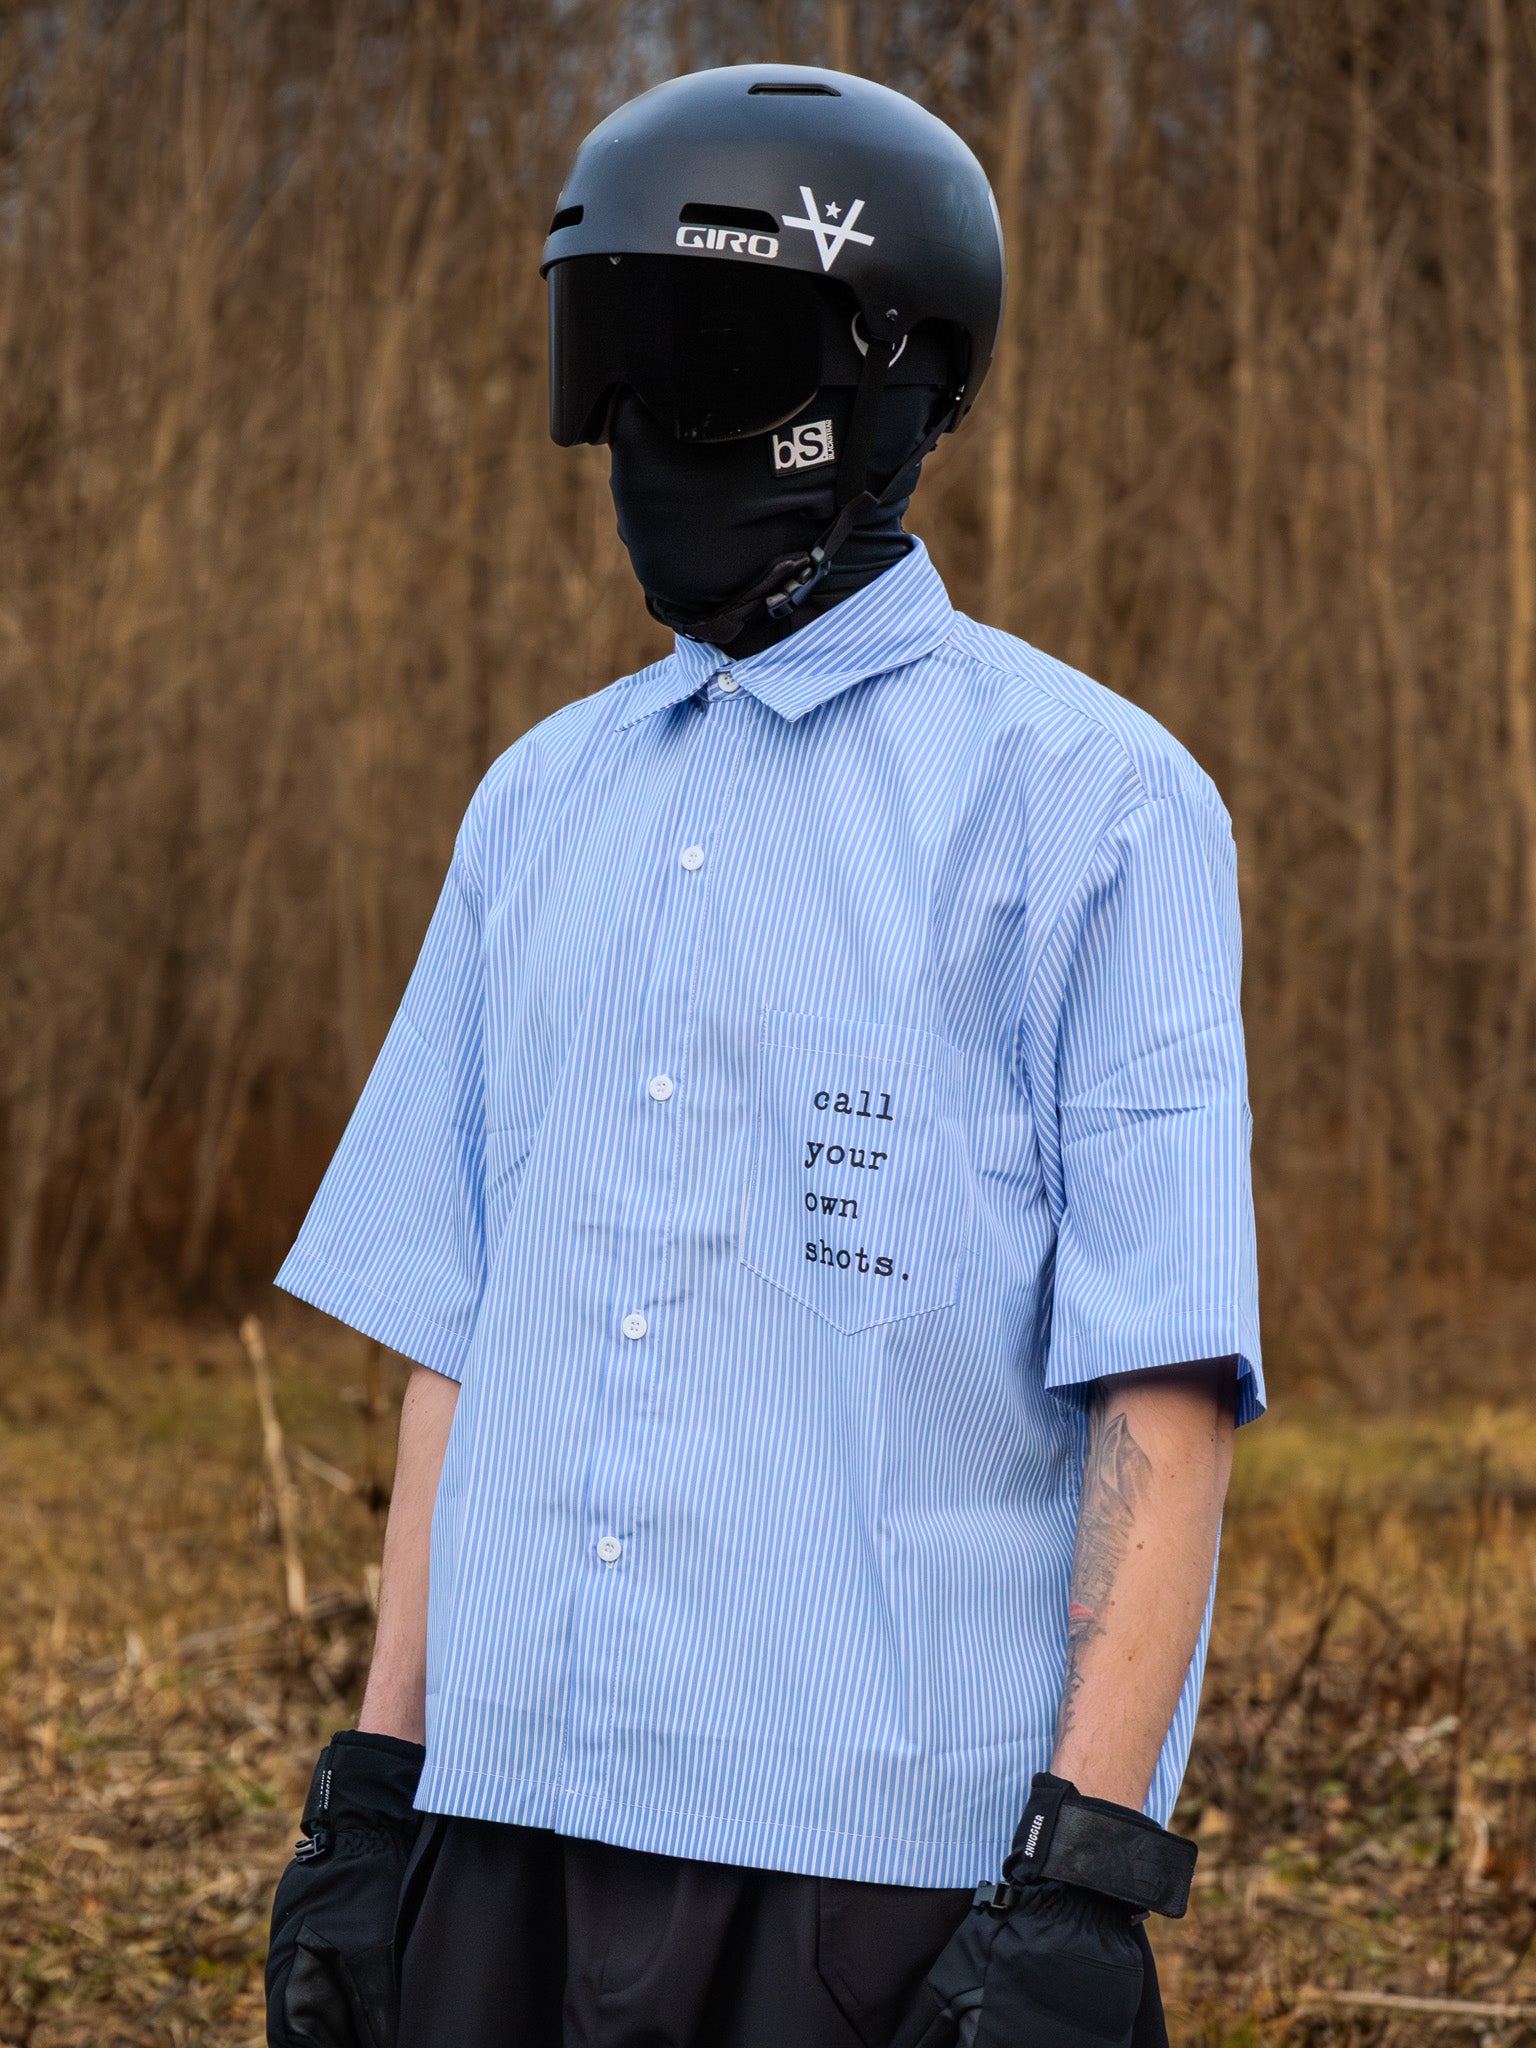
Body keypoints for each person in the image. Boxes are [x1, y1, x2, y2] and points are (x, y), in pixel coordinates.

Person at [264, 62, 1262, 2048]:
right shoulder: (535, 803)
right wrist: (380, 1783)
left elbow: (1162, 1376)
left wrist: (1085, 1867)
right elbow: (462, 1338)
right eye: (616, 364)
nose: (648, 428)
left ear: (896, 384)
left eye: (708, 361)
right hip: (502, 1824)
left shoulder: (1099, 803)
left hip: (874, 1870)